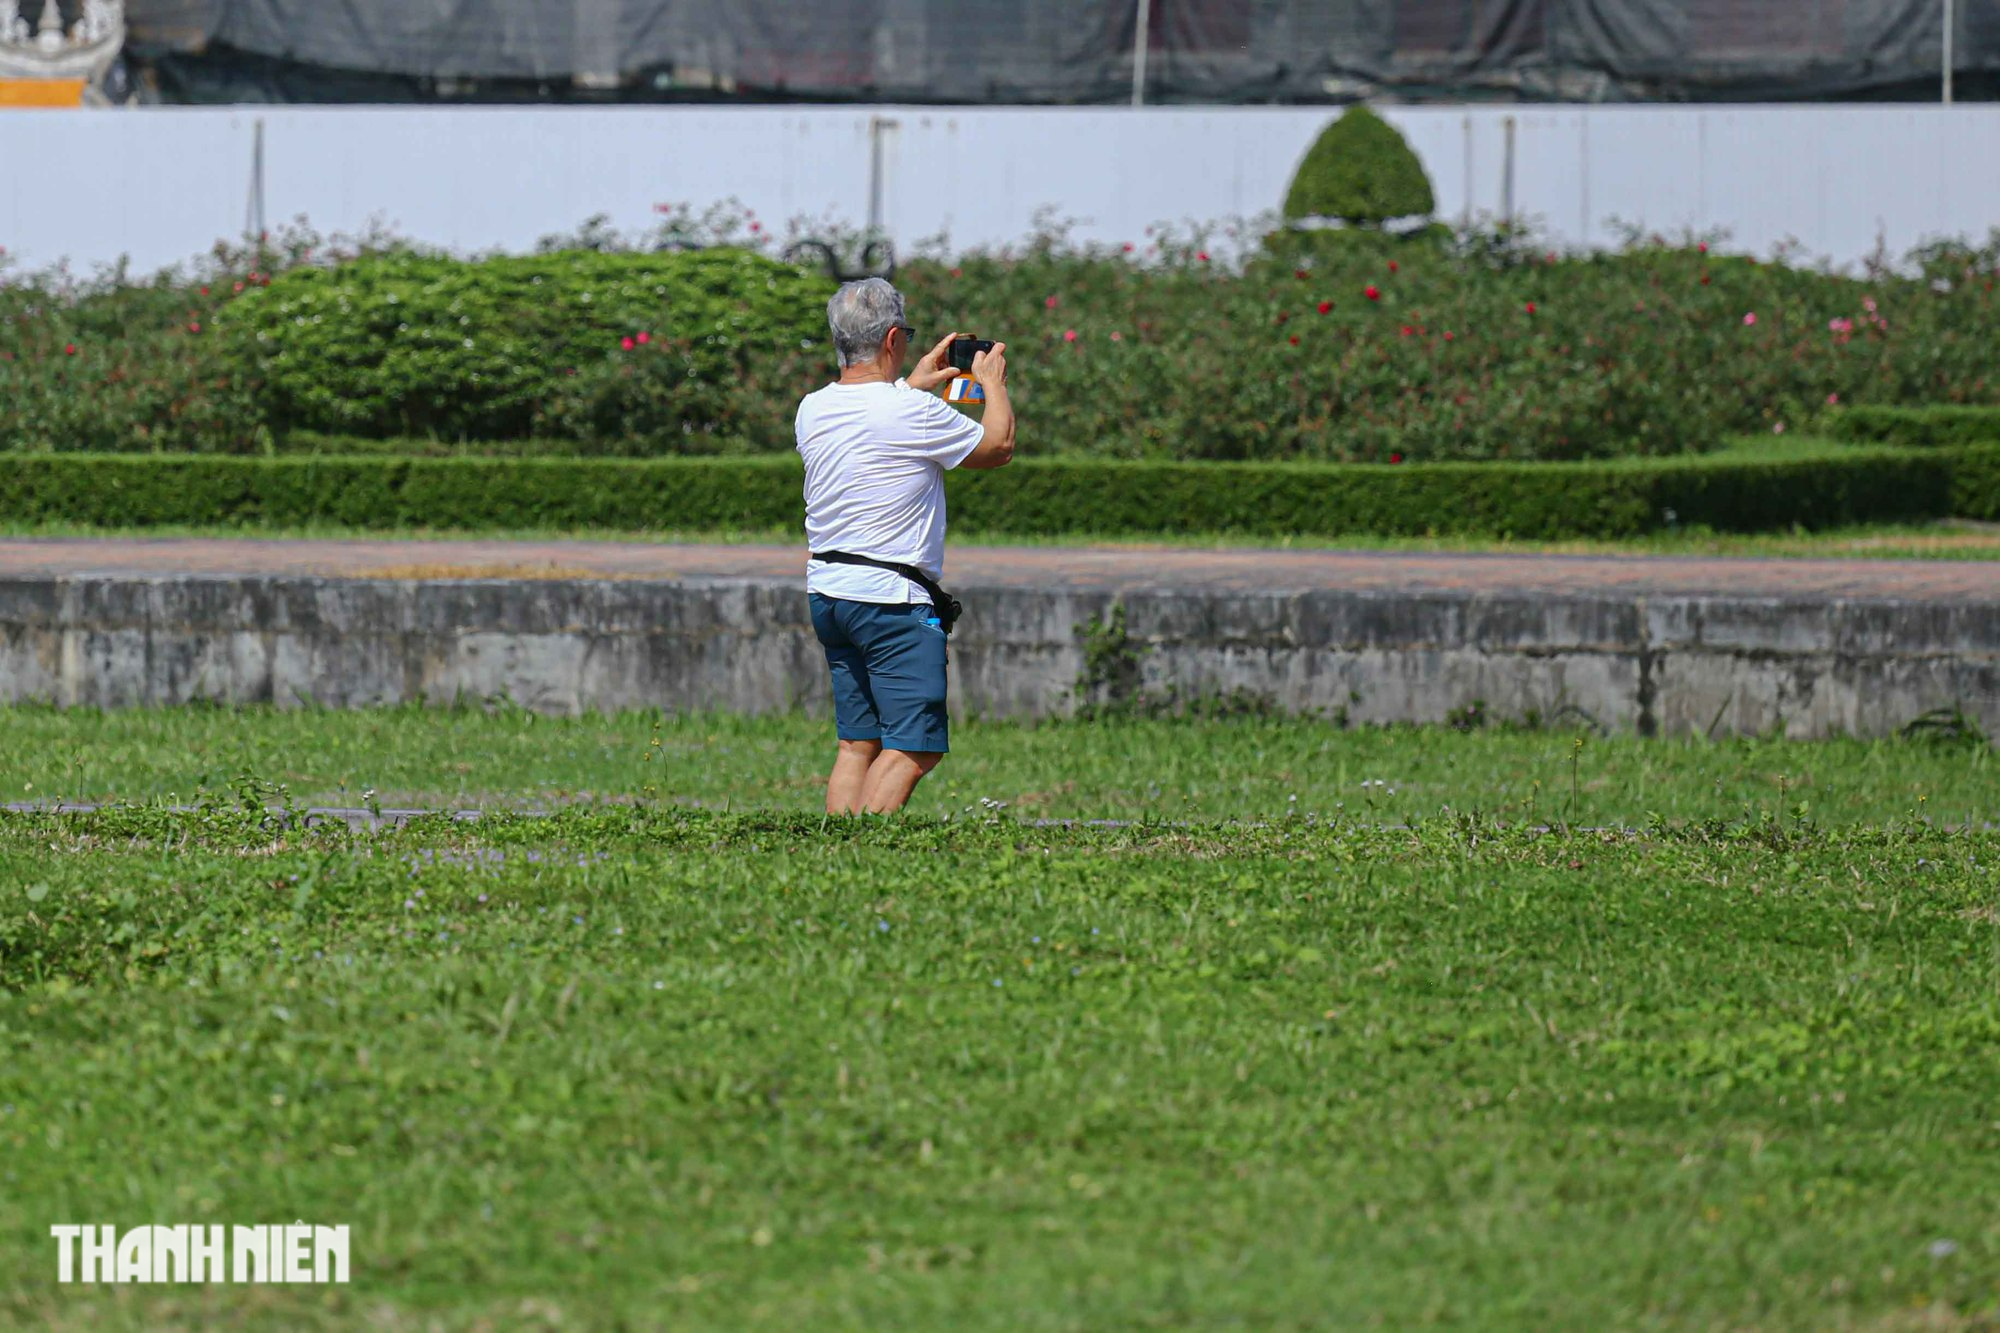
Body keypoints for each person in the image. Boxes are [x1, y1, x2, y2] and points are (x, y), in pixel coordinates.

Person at [798, 277, 1015, 814]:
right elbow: (997, 446)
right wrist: (991, 383)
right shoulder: (910, 413)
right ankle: (863, 855)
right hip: (890, 602)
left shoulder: (812, 408)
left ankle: (835, 854)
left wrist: (911, 385)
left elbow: (874, 421)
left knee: (857, 742)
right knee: (914, 746)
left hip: (830, 592)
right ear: (894, 338)